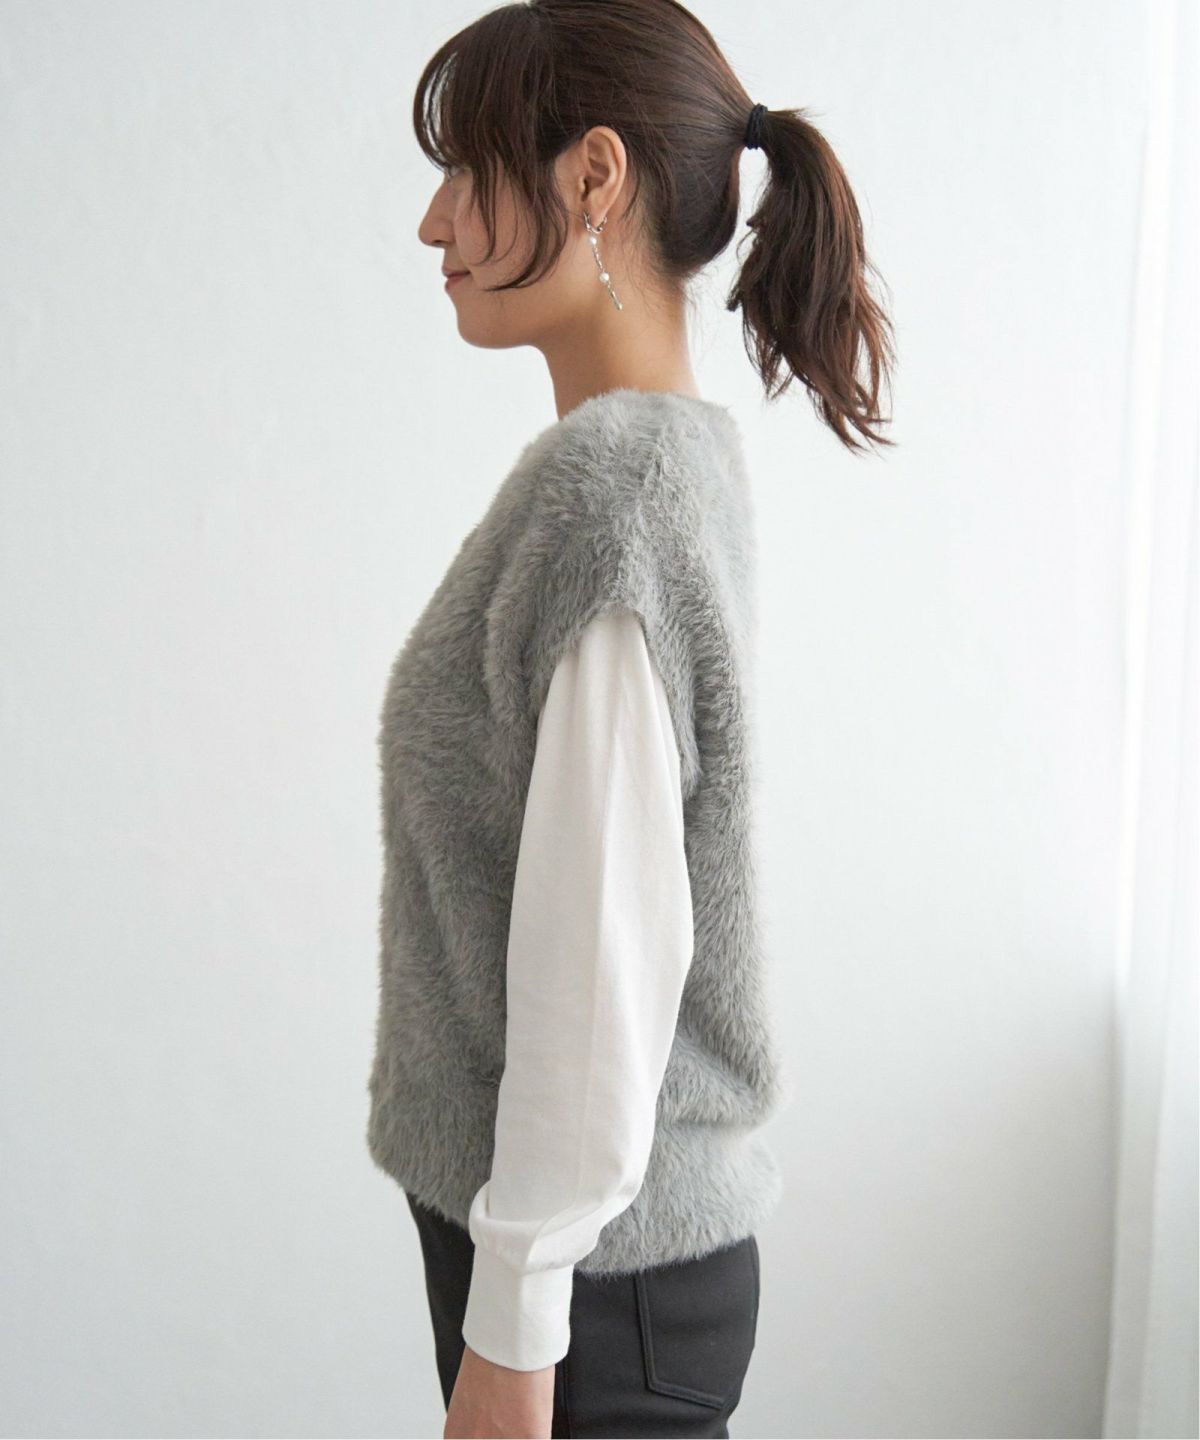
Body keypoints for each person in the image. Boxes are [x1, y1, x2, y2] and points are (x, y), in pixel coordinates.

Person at [366, 2, 895, 1436]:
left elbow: (600, 960)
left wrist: (514, 1335)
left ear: (593, 175)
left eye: (469, 169)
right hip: (580, 1276)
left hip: (595, 1296)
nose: (433, 221)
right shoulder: (632, 472)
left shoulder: (624, 498)